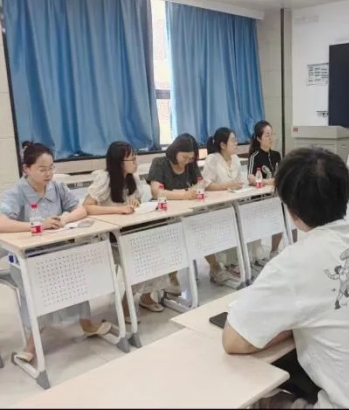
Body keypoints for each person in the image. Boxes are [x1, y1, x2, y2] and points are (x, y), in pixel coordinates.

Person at [222, 147, 349, 408]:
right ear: (347, 193)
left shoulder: (293, 263)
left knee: (261, 398)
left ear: (291, 210)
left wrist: (293, 324)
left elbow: (234, 340)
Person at [0, 143, 111, 362]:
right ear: (26, 169)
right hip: (28, 258)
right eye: (42, 169)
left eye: (51, 167)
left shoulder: (57, 187)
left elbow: (81, 208)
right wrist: (37, 225)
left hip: (59, 251)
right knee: (40, 291)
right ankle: (32, 344)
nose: (49, 173)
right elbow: (2, 222)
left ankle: (86, 324)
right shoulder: (16, 193)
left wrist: (65, 219)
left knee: (77, 275)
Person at [84, 141, 169, 323]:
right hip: (109, 238)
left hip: (130, 232)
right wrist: (118, 209)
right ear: (119, 162)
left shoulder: (133, 178)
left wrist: (135, 204)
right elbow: (87, 207)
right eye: (132, 159)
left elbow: (135, 203)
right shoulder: (104, 179)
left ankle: (146, 297)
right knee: (141, 258)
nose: (136, 162)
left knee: (158, 248)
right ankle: (126, 303)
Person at [202, 127, 260, 284]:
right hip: (217, 207)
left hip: (235, 203)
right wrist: (228, 186)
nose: (236, 143)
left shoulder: (235, 159)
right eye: (233, 141)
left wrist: (239, 186)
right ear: (222, 144)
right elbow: (207, 185)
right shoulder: (212, 159)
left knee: (247, 221)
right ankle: (225, 265)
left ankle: (238, 261)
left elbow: (239, 180)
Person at [147, 133, 201, 295]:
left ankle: (215, 267)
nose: (187, 161)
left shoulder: (190, 164)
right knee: (177, 234)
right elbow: (156, 192)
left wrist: (196, 189)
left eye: (190, 158)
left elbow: (200, 182)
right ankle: (171, 276)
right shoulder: (160, 163)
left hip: (184, 211)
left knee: (201, 227)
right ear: (175, 151)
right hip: (162, 215)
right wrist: (183, 194)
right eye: (184, 157)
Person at [247, 120, 283, 264]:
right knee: (259, 226)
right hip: (260, 198)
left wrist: (275, 180)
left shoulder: (276, 155)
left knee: (280, 222)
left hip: (275, 196)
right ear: (259, 138)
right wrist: (268, 181)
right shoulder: (255, 156)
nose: (271, 138)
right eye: (267, 135)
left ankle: (274, 250)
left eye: (271, 134)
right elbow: (251, 178)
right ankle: (256, 254)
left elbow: (281, 174)